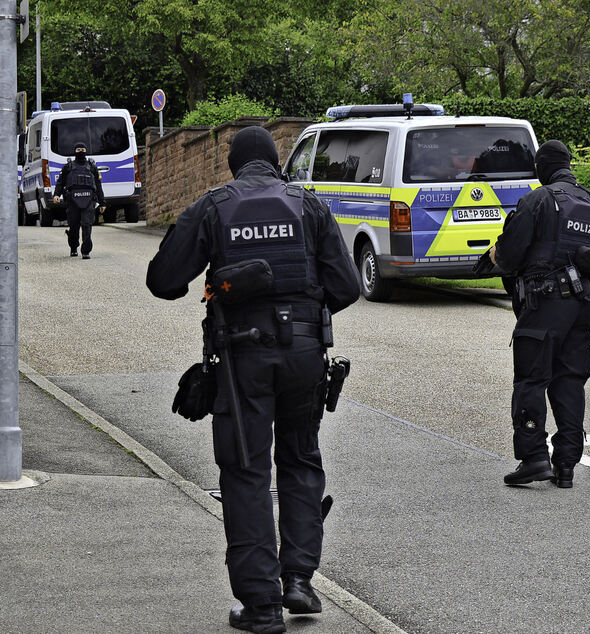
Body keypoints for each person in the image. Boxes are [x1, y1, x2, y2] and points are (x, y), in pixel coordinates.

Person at [146, 126, 360, 634]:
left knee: (246, 472)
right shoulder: (308, 207)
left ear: (234, 166)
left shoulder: (214, 206)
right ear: (276, 162)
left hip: (243, 356)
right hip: (306, 355)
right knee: (301, 458)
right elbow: (347, 287)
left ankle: (262, 605)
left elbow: (162, 281)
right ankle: (299, 581)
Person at [489, 140, 590, 489]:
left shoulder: (538, 201)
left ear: (543, 167)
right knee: (570, 382)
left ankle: (534, 457)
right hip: (583, 308)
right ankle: (566, 465)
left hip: (545, 304)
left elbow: (509, 256)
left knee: (531, 380)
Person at [52, 142, 105, 259]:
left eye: (82, 149)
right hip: (72, 200)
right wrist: (56, 195)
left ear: (86, 151)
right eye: (78, 149)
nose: (81, 151)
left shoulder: (92, 167)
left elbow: (98, 185)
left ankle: (86, 251)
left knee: (87, 224)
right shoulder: (68, 167)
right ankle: (73, 248)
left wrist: (102, 202)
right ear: (75, 151)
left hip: (89, 200)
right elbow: (60, 183)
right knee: (74, 225)